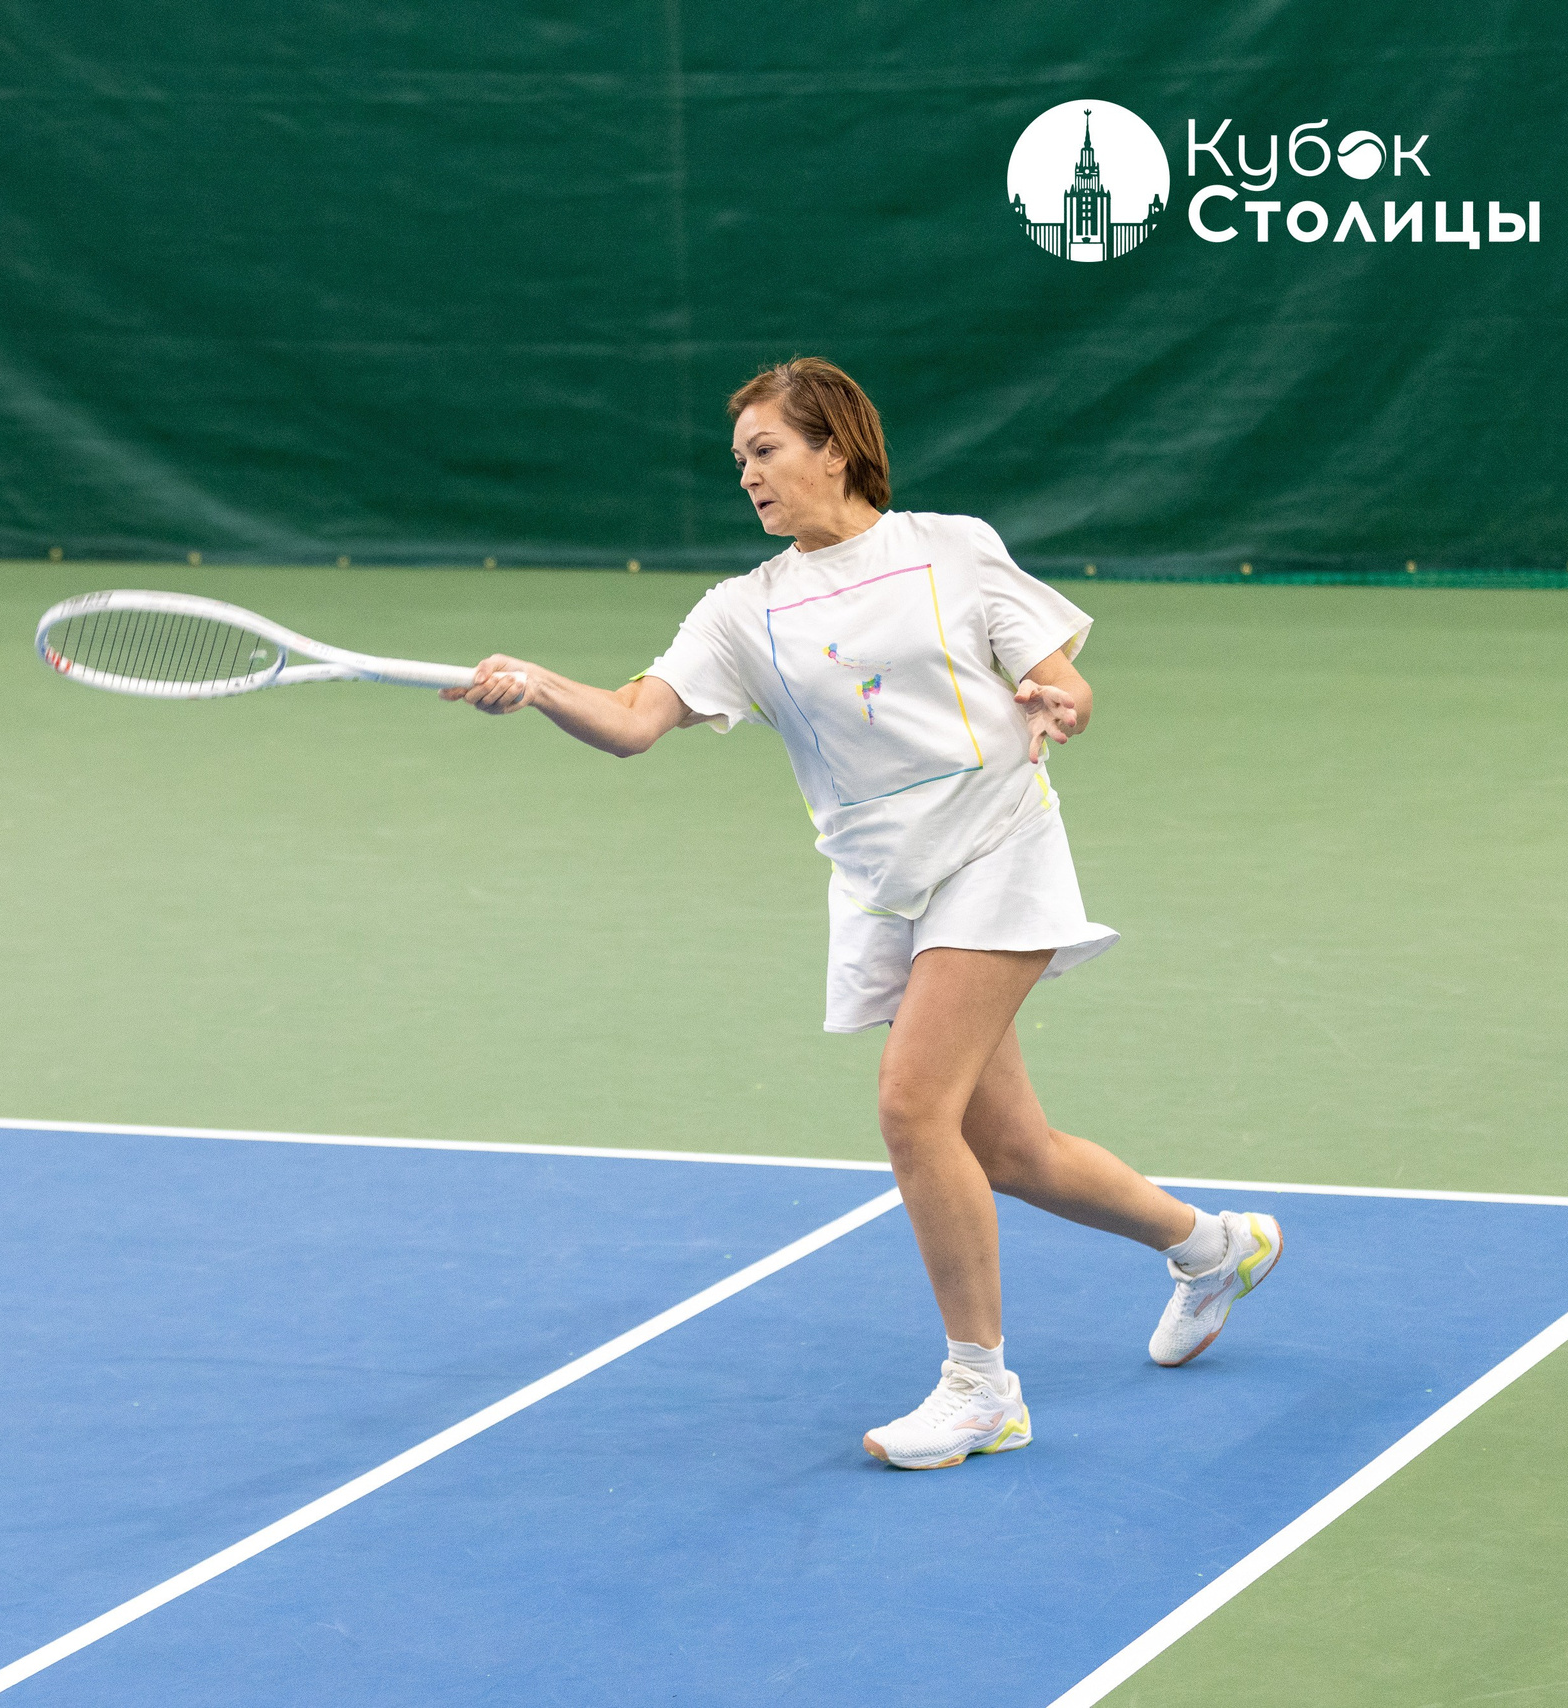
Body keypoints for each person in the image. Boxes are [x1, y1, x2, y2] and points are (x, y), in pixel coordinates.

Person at [444, 358, 1284, 1470]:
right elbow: (636, 719)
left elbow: (1062, 680)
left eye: (766, 450)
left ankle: (980, 1387)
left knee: (909, 1109)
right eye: (738, 460)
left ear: (833, 446)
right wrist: (545, 686)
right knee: (1013, 1147)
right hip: (885, 882)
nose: (747, 475)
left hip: (995, 846)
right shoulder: (743, 611)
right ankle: (1211, 1247)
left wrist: (1056, 701)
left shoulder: (950, 548)